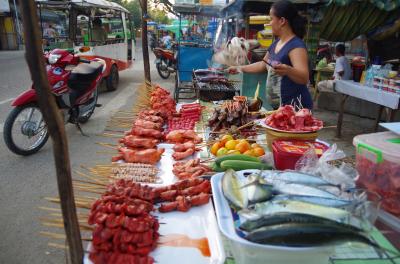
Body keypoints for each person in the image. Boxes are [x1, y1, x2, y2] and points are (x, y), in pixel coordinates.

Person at [228, 0, 313, 109]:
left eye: (271, 19)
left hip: (296, 108)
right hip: (280, 107)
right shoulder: (276, 43)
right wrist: (239, 68)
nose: (269, 23)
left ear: (282, 21)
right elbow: (262, 65)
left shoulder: (296, 46)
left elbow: (304, 77)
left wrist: (288, 70)